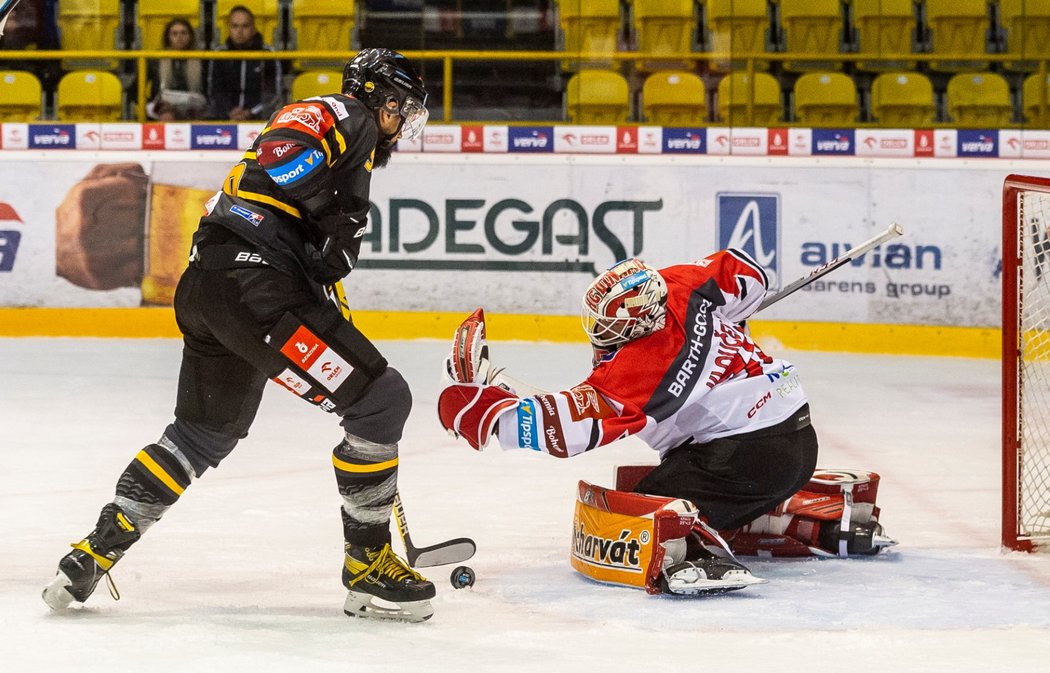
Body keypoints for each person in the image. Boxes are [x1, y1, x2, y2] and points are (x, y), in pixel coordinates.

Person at [43, 48, 435, 622]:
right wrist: (328, 212)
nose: (403, 126)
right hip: (256, 291)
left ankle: (92, 553)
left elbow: (288, 204)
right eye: (403, 110)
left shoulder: (353, 145)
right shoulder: (344, 113)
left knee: (202, 433)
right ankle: (369, 565)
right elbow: (283, 152)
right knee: (381, 402)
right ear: (380, 97)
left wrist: (317, 242)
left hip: (213, 290)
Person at [438, 253, 895, 595]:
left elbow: (567, 428)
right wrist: (726, 318)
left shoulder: (647, 364)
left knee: (637, 512)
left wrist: (480, 413)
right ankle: (800, 513)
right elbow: (749, 273)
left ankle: (694, 552)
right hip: (795, 437)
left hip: (746, 459)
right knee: (667, 484)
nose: (597, 331)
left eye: (608, 325)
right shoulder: (680, 285)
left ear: (637, 327)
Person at [206, 5, 281, 121]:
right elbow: (215, 91)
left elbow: (273, 93)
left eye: (245, 26)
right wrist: (229, 111)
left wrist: (250, 112)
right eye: (235, 26)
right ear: (229, 28)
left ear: (253, 27)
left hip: (260, 119)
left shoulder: (267, 54)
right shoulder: (219, 54)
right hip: (225, 118)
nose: (239, 31)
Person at [146, 18, 207, 121]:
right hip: (164, 107)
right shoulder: (155, 59)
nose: (179, 37)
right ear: (168, 37)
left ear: (190, 36)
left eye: (184, 33)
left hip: (193, 106)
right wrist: (151, 104)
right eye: (174, 34)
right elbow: (135, 88)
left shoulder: (202, 59)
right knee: (167, 117)